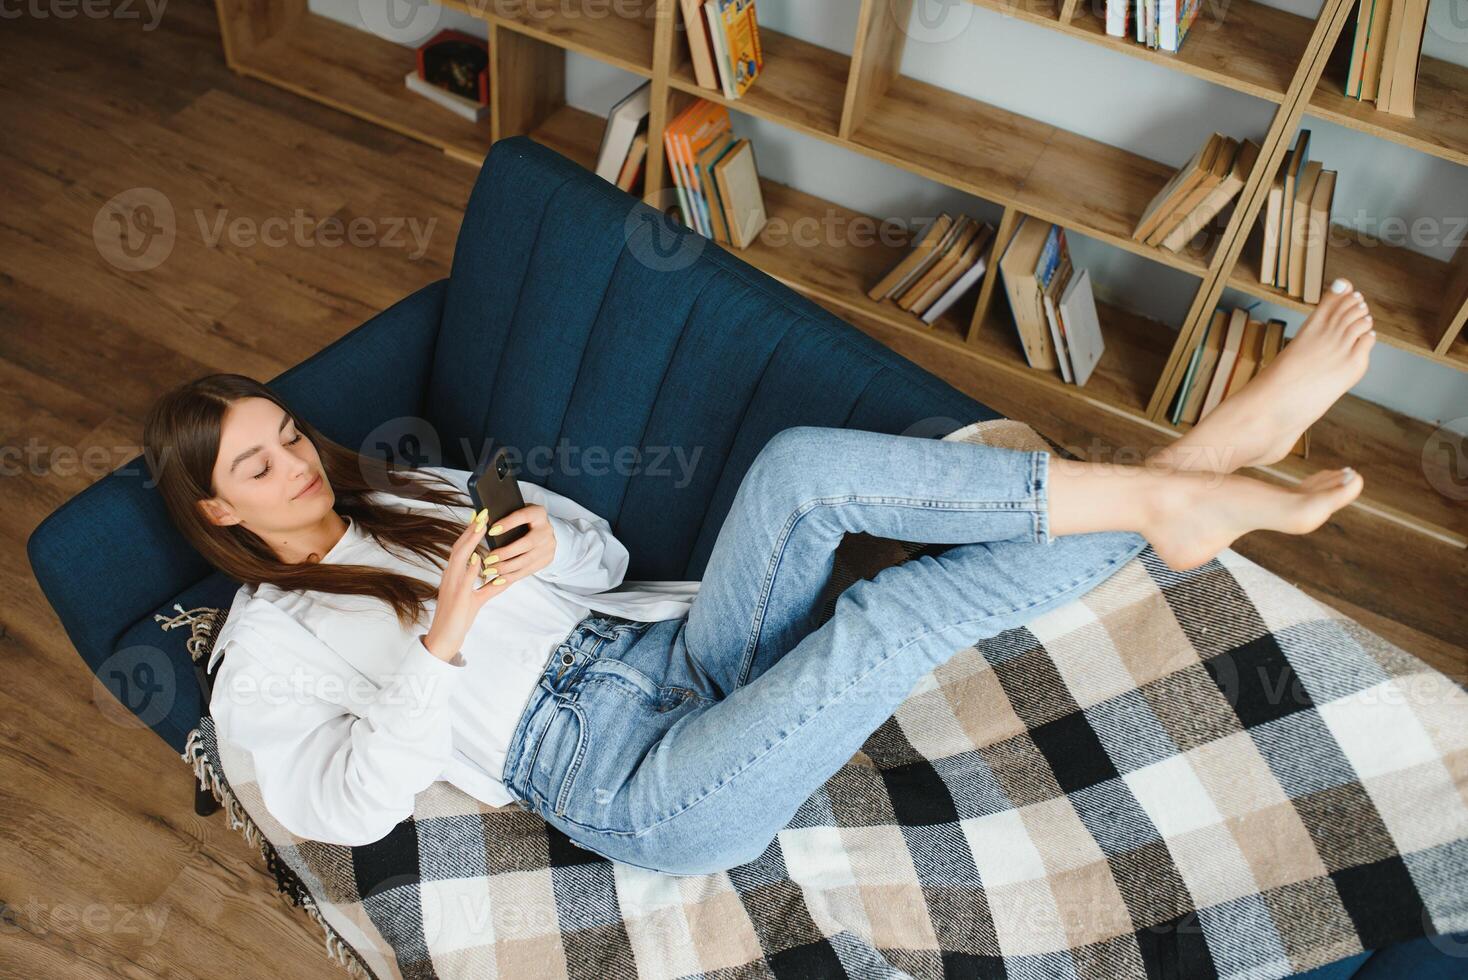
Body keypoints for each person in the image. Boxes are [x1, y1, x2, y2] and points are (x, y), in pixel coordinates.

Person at [144, 280, 1376, 875]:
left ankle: (1184, 483)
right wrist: (446, 632)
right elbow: (345, 807)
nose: (297, 462)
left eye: (290, 431)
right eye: (259, 462)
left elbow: (608, 556)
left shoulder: (399, 493)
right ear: (217, 508)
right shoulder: (261, 655)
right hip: (627, 781)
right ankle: (1202, 465)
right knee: (883, 614)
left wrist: (545, 550)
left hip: (667, 655)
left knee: (795, 472)